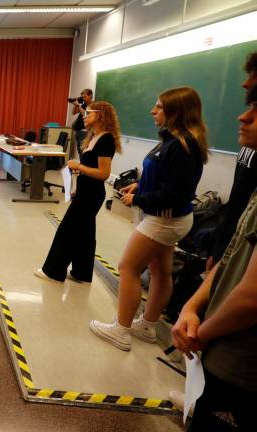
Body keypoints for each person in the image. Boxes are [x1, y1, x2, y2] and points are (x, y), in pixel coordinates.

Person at [90, 86, 209, 351]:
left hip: (164, 219)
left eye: (159, 107)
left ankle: (121, 330)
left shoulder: (182, 145)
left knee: (128, 268)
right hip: (165, 218)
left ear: (176, 112)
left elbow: (175, 193)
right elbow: (162, 176)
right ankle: (147, 325)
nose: (152, 111)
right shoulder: (171, 139)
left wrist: (140, 199)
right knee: (160, 271)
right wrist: (140, 186)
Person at [171, 84, 257, 432]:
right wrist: (192, 306)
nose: (242, 115)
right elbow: (236, 250)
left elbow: (251, 298)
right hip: (220, 353)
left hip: (241, 367)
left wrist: (200, 333)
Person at [35, 101, 121, 283]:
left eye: (89, 112)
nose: (84, 115)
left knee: (67, 231)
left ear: (101, 115)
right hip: (85, 191)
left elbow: (104, 174)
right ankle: (82, 273)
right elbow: (90, 168)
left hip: (92, 194)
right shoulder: (94, 137)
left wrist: (79, 166)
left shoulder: (106, 139)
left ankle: (53, 271)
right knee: (85, 235)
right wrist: (79, 172)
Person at [207, 51, 257, 269]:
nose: (245, 84)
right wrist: (219, 247)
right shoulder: (249, 140)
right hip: (228, 240)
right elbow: (238, 199)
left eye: (253, 75)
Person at [70, 89, 94, 155]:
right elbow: (73, 113)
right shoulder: (84, 104)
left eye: (84, 97)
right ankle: (81, 164)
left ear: (90, 96)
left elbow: (86, 114)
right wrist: (75, 105)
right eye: (82, 97)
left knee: (83, 151)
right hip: (78, 131)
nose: (83, 99)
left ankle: (82, 165)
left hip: (84, 132)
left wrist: (79, 106)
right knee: (79, 150)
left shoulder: (93, 105)